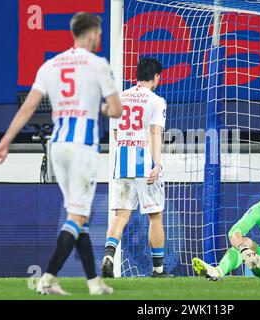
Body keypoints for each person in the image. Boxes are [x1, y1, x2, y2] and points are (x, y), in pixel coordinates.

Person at [0, 12, 122, 295]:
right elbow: (116, 110)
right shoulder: (98, 64)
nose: (99, 38)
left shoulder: (50, 65)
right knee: (76, 218)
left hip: (58, 146)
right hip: (82, 148)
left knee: (79, 217)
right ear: (90, 35)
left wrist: (5, 141)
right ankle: (48, 278)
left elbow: (27, 108)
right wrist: (101, 109)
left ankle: (93, 282)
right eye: (98, 34)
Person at [101, 57, 174, 278]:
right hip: (145, 164)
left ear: (136, 76)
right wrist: (157, 163)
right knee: (155, 216)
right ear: (156, 77)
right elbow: (154, 132)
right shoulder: (156, 100)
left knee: (120, 215)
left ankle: (108, 255)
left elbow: (115, 133)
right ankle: (158, 270)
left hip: (122, 163)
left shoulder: (120, 98)